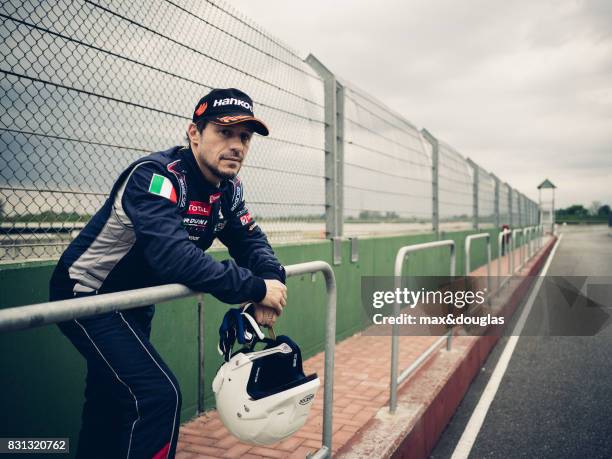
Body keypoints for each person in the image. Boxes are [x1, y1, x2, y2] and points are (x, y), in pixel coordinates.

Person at [48, 88, 287, 459]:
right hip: (88, 295)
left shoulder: (228, 189)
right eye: (225, 132)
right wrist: (256, 288)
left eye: (244, 136)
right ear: (194, 134)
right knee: (158, 396)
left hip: (137, 301)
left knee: (110, 400)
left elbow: (252, 242)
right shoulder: (156, 177)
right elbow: (175, 258)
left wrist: (274, 283)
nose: (237, 145)